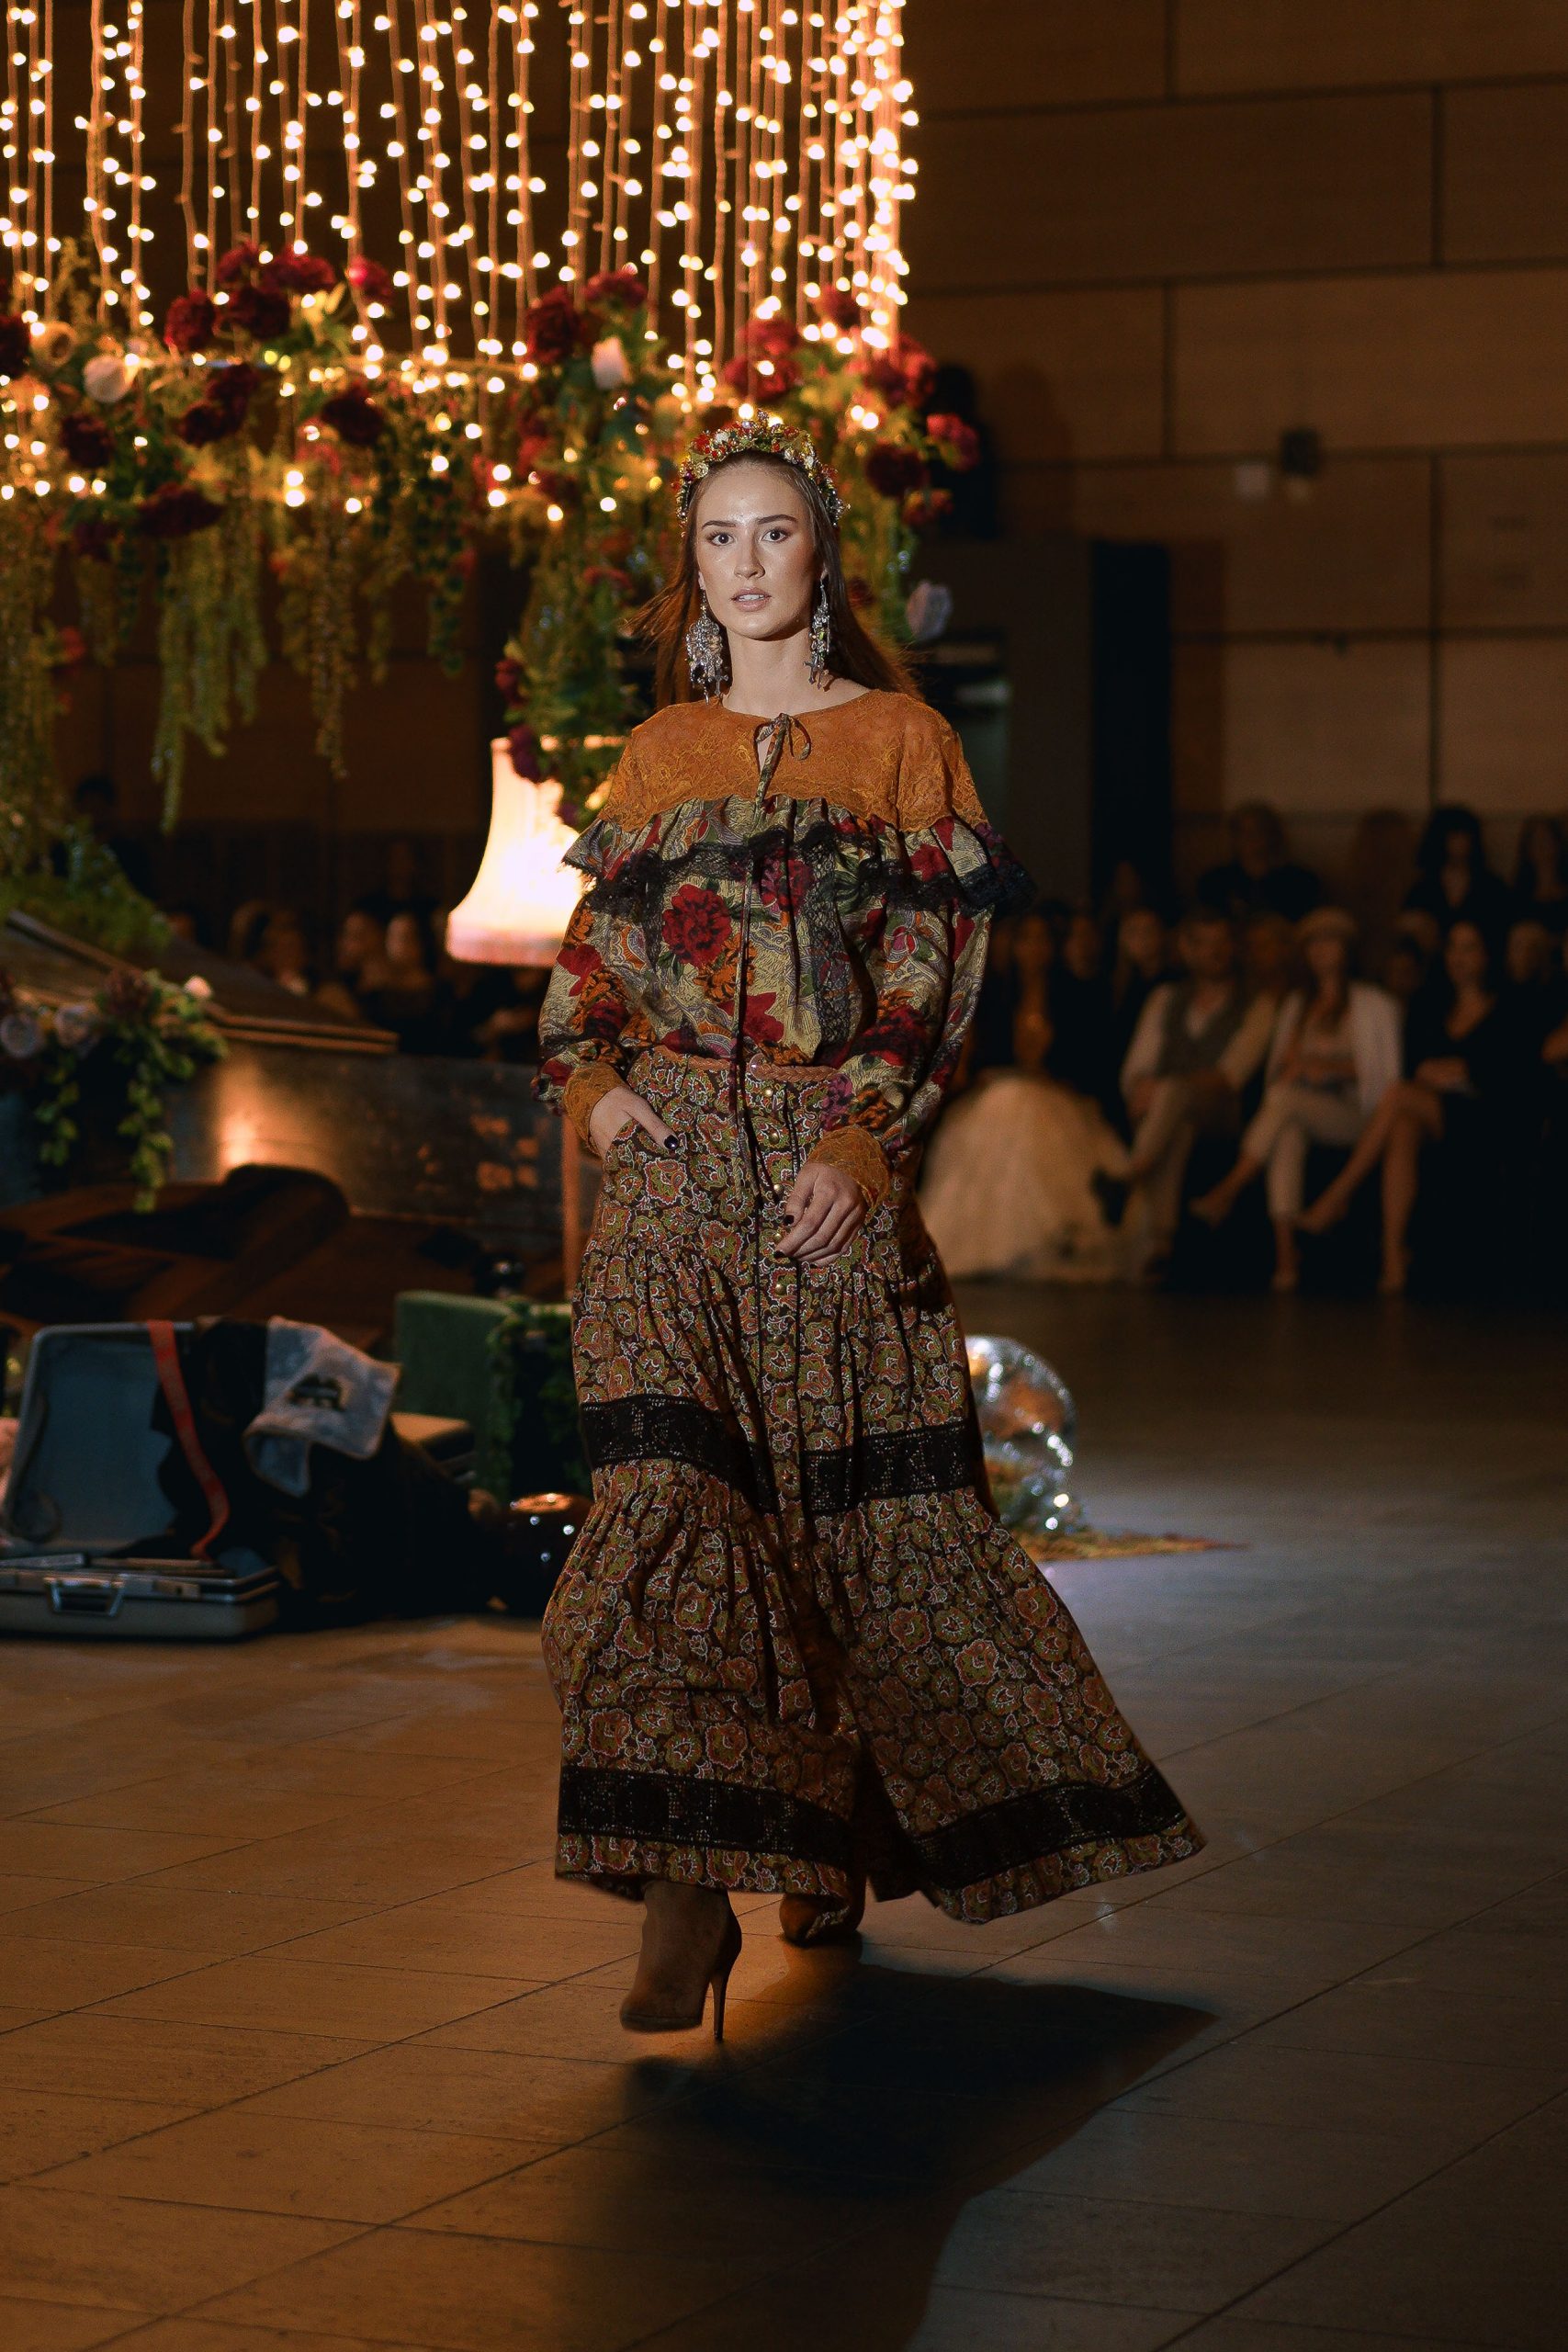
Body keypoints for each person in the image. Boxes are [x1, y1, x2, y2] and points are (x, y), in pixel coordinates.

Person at [531, 416, 1201, 2038]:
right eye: (716, 538)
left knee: (844, 1538)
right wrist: (594, 1092)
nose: (744, 564)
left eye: (772, 533)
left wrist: (859, 1140)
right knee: (665, 1510)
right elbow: (588, 968)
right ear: (689, 569)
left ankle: (816, 1836)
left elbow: (929, 981)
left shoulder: (903, 742)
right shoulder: (658, 753)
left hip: (823, 1180)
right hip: (667, 1178)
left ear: (822, 556)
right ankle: (686, 1891)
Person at [1298, 919, 1522, 1295]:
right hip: (1432, 1110)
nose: (1459, 957)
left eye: (1469, 948)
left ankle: (1337, 1197)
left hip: (1485, 1116)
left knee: (1399, 1096)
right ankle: (1393, 1257)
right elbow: (1413, 1061)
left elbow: (1512, 1071)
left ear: (1488, 954)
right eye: (1453, 947)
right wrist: (1431, 1070)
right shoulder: (1432, 1006)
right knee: (1403, 1126)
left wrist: (1467, 1069)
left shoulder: (1509, 1008)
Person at [1190, 908, 1401, 1291]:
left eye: (1330, 940)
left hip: (1358, 1112)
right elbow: (1281, 1066)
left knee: (1285, 1103)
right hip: (1303, 1105)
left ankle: (1228, 1190)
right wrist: (1297, 1069)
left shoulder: (1373, 1005)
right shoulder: (1298, 1006)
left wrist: (1327, 1069)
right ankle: (1287, 1256)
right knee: (1286, 1130)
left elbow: (1386, 1076)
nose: (1321, 950)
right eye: (1314, 942)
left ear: (1347, 948)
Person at [919, 908, 1132, 1282]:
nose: (1034, 948)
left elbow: (1088, 1063)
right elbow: (980, 1061)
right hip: (997, 1094)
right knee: (1009, 1104)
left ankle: (1053, 1238)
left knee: (1025, 1108)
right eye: (1026, 939)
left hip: (1057, 1096)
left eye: (1042, 939)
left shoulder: (1075, 996)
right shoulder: (994, 996)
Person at [1101, 907, 1275, 1278]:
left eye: (1222, 942)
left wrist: (1163, 1088)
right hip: (1168, 1112)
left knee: (1174, 1094)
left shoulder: (1256, 1004)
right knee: (1177, 1125)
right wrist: (1142, 1088)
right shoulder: (1167, 998)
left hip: (1220, 1110)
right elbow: (1138, 1064)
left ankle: (1129, 1177)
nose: (1214, 952)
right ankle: (1162, 1244)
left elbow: (1232, 1074)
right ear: (1189, 949)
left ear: (1234, 947)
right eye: (1204, 943)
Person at [1195, 802, 1323, 926]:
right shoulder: (1214, 881)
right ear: (1233, 838)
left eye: (1259, 831)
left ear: (1273, 836)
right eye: (1243, 832)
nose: (1251, 839)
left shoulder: (1301, 881)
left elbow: (1310, 924)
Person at [1404, 805, 1516, 937]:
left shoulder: (1491, 886)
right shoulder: (1424, 886)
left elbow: (1502, 926)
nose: (1460, 843)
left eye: (1464, 836)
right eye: (1454, 836)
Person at [1512, 814, 1568, 936]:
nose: (1542, 847)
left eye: (1547, 840)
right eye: (1536, 841)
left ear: (1558, 845)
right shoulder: (1519, 896)